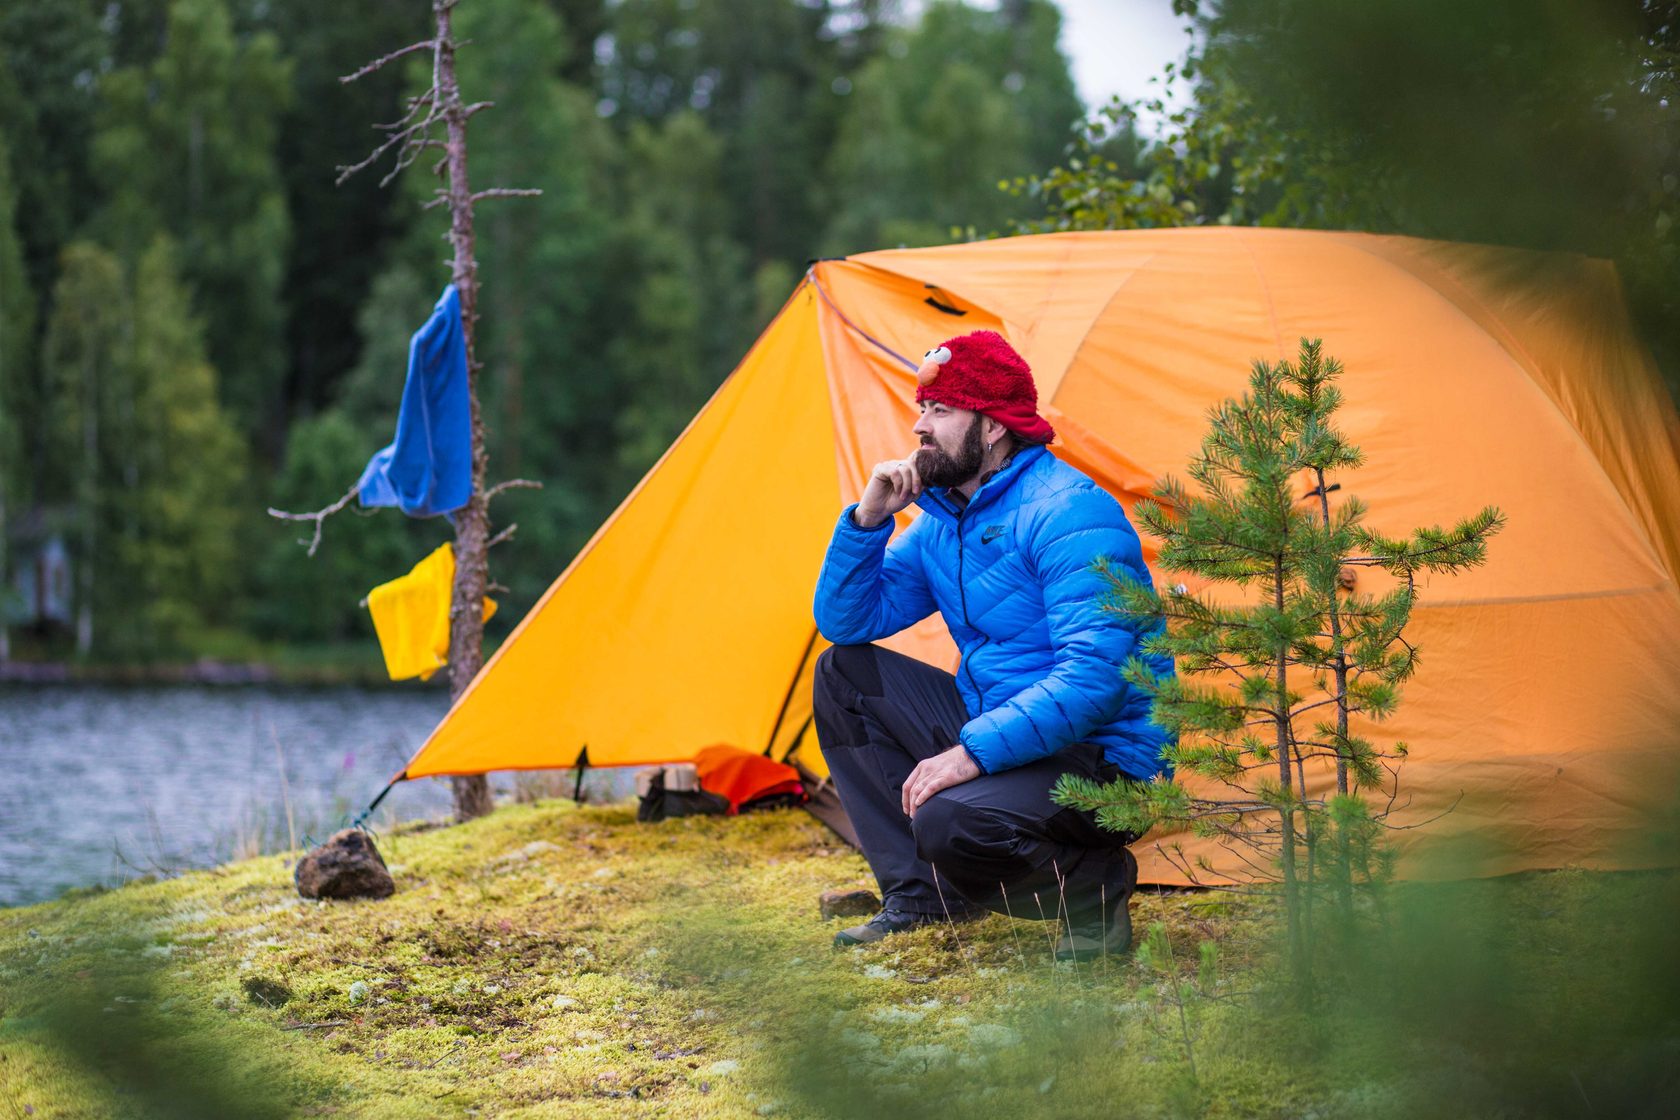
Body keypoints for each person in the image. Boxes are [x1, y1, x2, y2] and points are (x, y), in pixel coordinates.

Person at [811, 329, 1173, 960]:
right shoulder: (944, 523)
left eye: (941, 410)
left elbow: (1095, 680)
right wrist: (868, 522)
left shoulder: (1069, 512)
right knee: (843, 674)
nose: (920, 427)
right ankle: (924, 898)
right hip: (1012, 733)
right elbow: (848, 621)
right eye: (923, 409)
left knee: (951, 819)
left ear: (994, 426)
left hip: (1104, 760)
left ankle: (1094, 891)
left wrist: (968, 755)